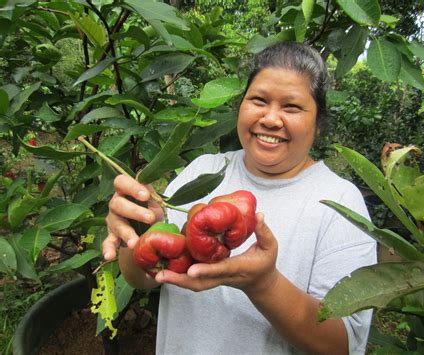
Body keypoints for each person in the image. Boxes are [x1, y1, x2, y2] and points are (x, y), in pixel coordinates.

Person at [103, 42, 377, 354]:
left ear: (318, 123)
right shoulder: (204, 171)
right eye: (258, 100)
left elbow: (342, 345)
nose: (271, 119)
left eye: (292, 107)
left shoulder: (340, 202)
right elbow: (142, 277)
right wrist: (135, 228)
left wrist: (264, 284)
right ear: (241, 106)